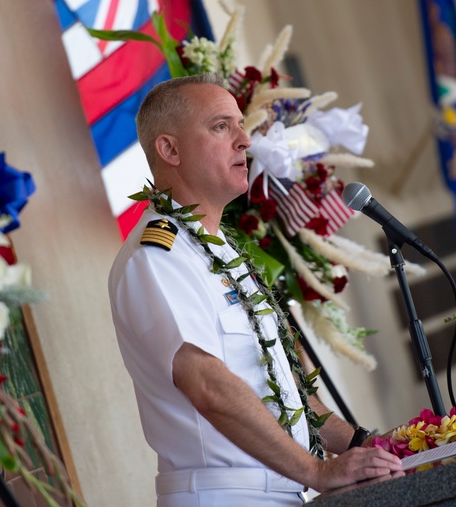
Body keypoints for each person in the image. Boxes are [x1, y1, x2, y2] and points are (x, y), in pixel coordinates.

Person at [108, 74, 404, 505]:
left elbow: (281, 391)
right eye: (221, 126)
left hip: (279, 490)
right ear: (169, 149)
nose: (245, 141)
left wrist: (365, 445)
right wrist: (316, 471)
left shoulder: (219, 248)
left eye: (241, 125)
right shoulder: (157, 256)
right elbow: (208, 385)